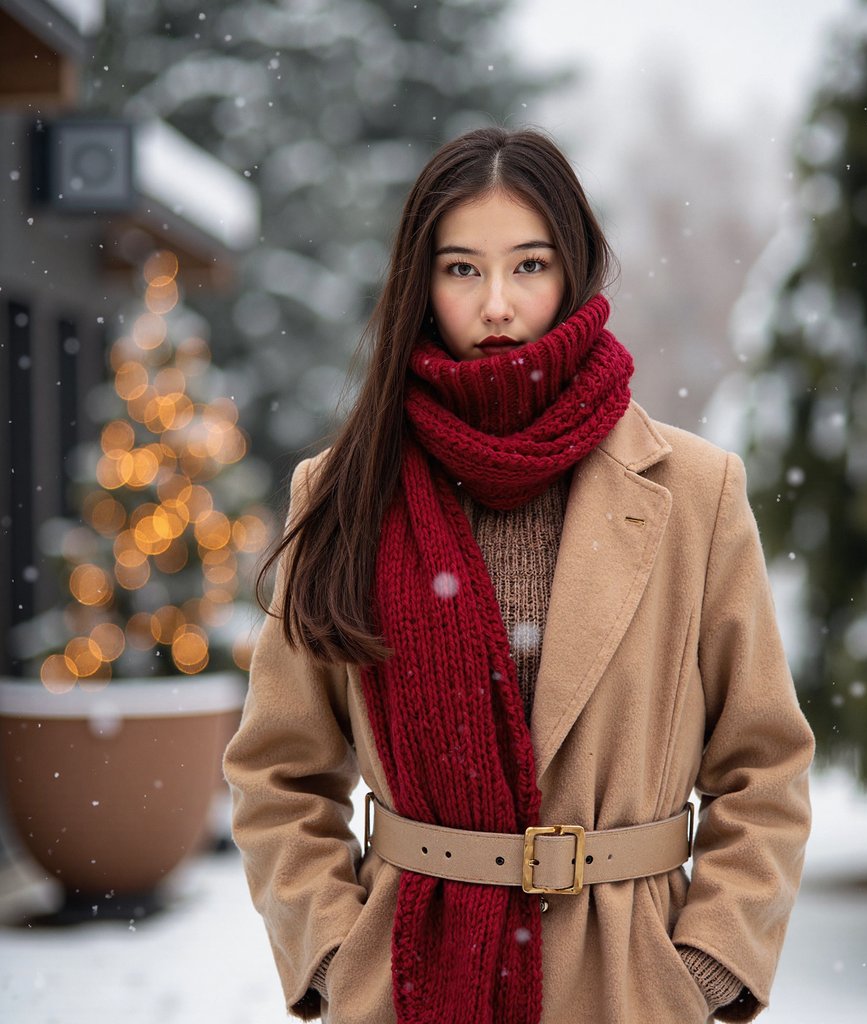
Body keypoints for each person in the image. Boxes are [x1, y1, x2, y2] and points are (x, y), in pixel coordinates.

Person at [223, 126, 814, 1024]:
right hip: (409, 985)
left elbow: (763, 765)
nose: (497, 304)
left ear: (572, 272)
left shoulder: (696, 492)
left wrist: (700, 972)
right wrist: (338, 961)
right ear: (420, 284)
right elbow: (278, 774)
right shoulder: (343, 490)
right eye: (462, 269)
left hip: (629, 988)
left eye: (528, 265)